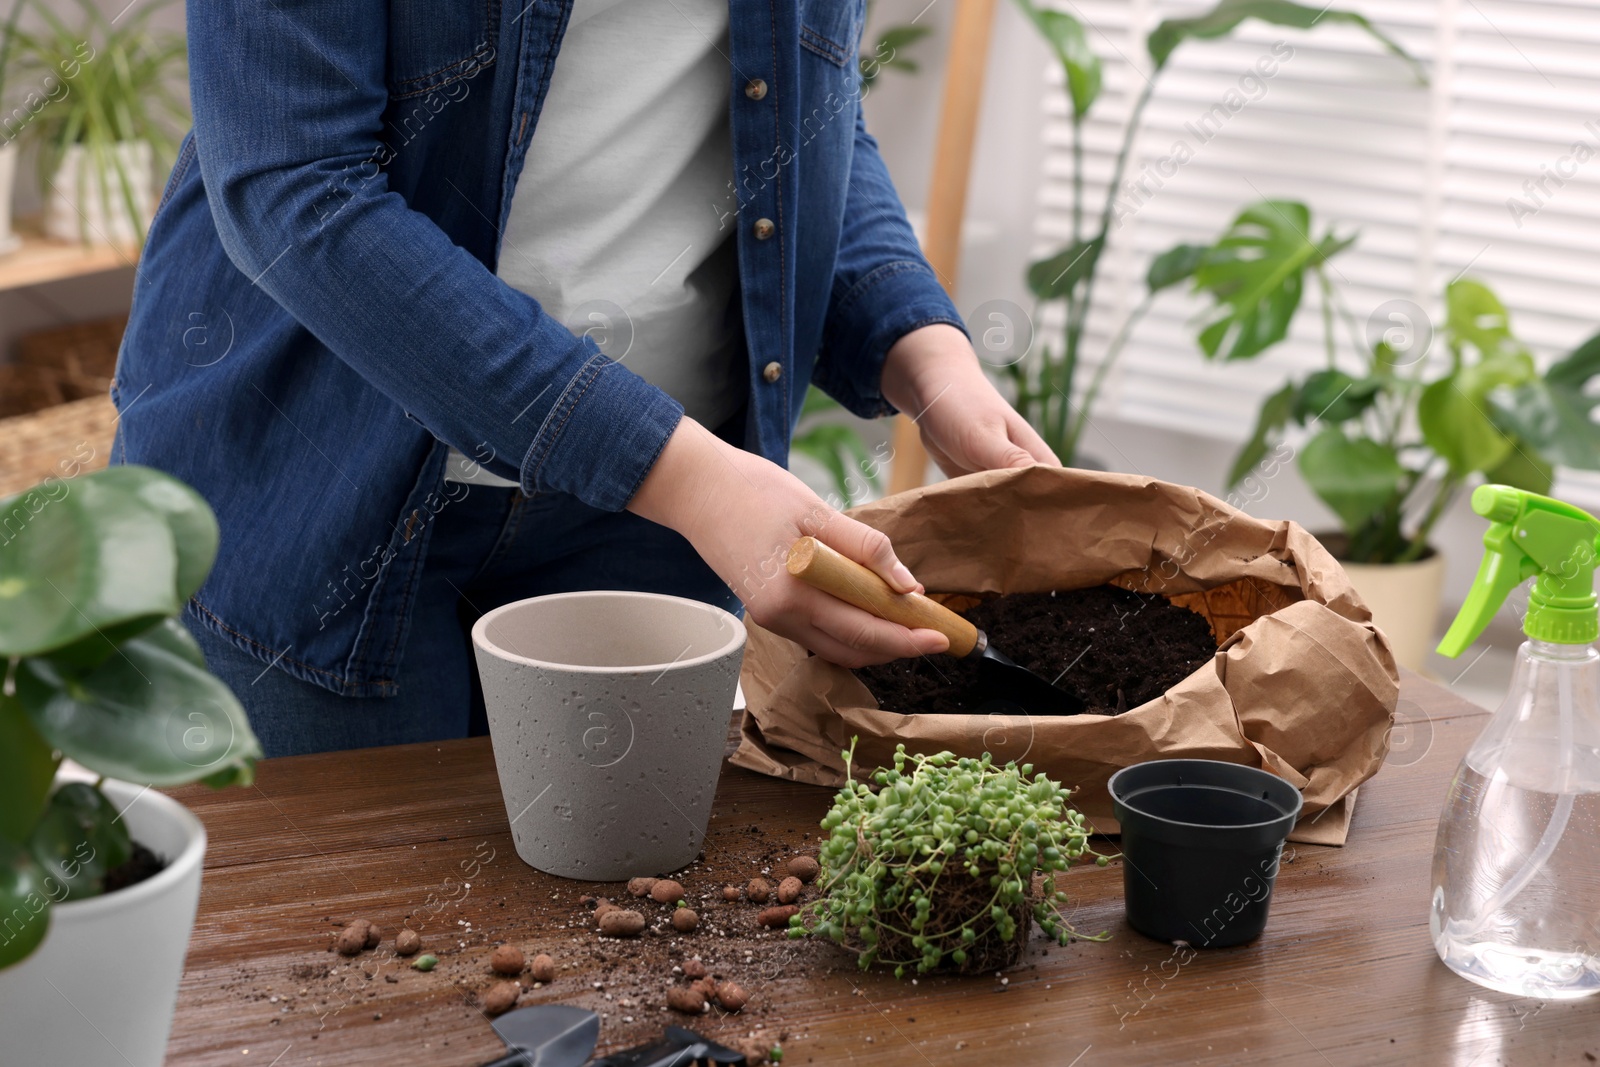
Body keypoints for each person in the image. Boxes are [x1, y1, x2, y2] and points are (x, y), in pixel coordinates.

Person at [114, 0, 1057, 757]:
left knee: (623, 957)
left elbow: (812, 102)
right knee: (348, 971)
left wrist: (925, 351)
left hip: (648, 530)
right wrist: (686, 475)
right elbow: (295, 187)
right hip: (315, 496)